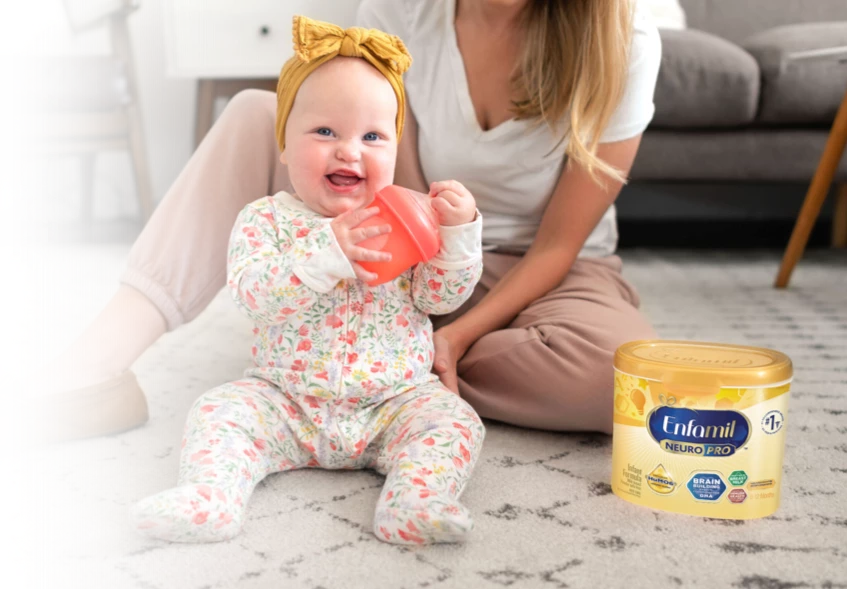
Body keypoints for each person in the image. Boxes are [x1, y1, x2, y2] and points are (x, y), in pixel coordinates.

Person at [20, 0, 661, 447]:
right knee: (255, 112)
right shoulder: (402, 10)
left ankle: (370, 365)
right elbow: (371, 165)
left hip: (546, 271)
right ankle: (93, 371)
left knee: (621, 382)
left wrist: (457, 337)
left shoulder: (623, 39)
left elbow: (558, 245)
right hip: (399, 251)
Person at [129, 17, 485, 545]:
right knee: (218, 411)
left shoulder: (404, 219)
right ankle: (210, 499)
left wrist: (457, 237)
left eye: (372, 136)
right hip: (287, 400)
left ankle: (415, 502)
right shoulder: (265, 219)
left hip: (393, 400)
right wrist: (326, 252)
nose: (349, 150)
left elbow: (439, 297)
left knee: (455, 422)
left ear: (394, 149)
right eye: (325, 132)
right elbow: (255, 297)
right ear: (284, 146)